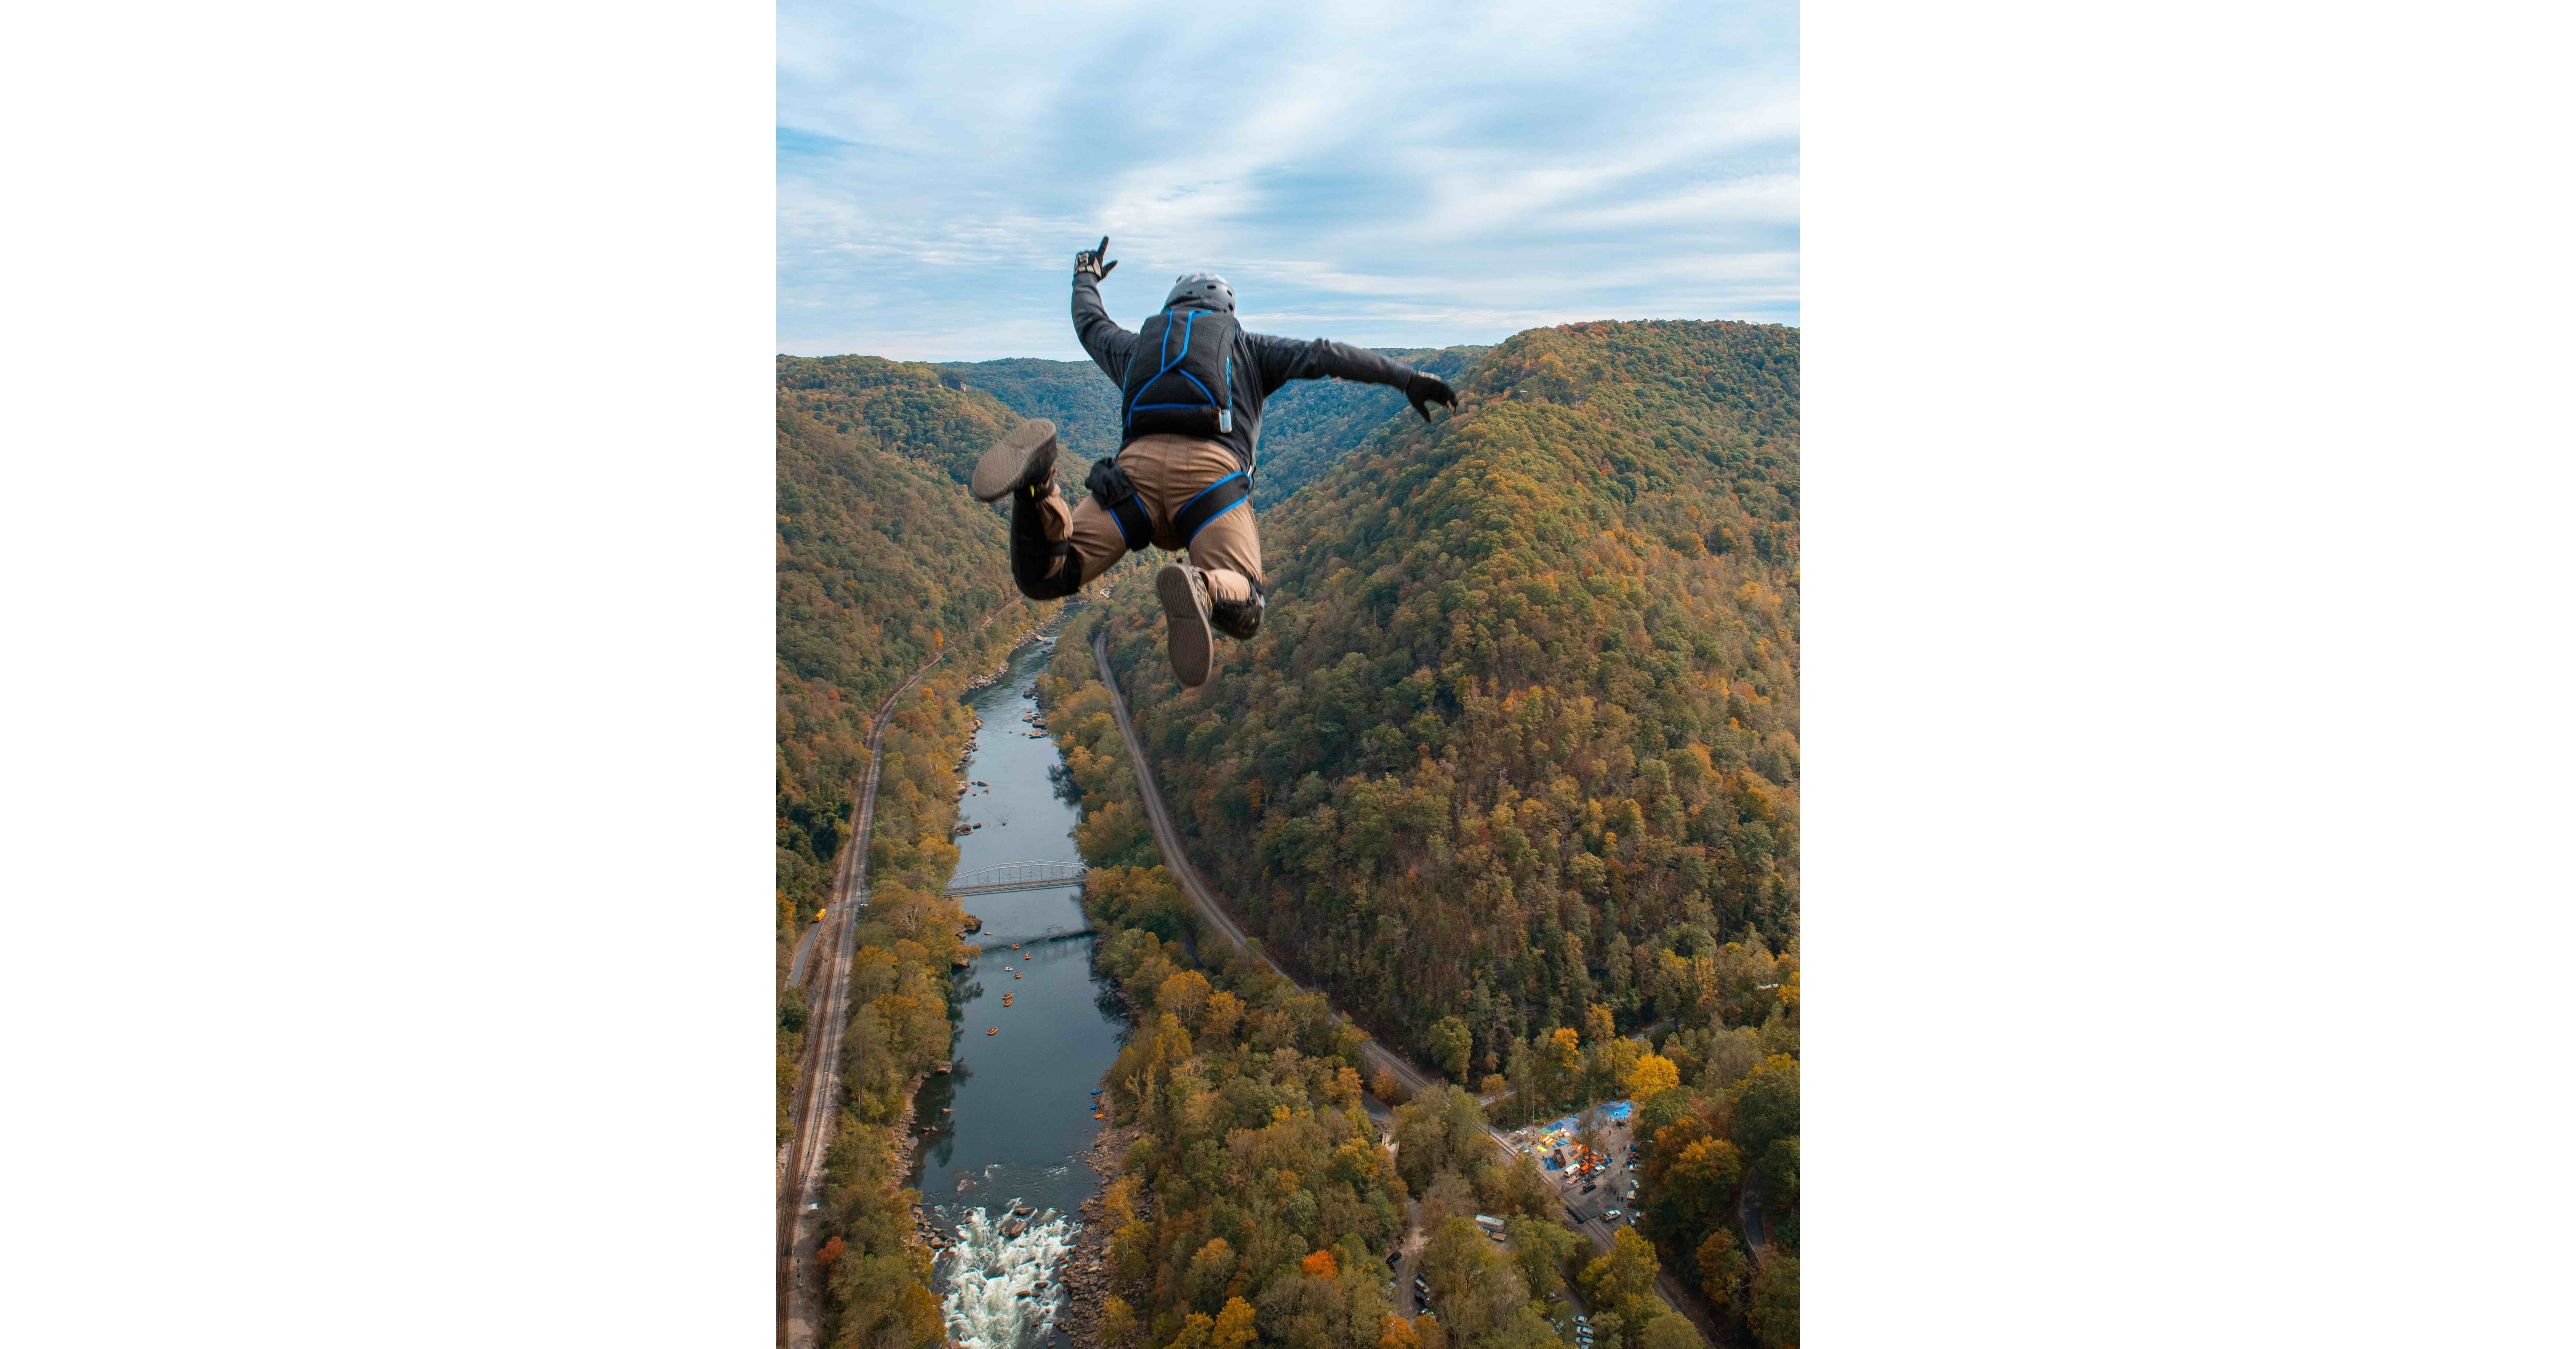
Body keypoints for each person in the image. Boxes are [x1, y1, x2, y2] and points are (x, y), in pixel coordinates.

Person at [970, 236, 1458, 687]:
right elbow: (1325, 355)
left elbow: (1090, 324)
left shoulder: (1140, 346)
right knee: (1245, 603)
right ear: (1227, 310)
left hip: (1130, 482)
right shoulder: (1248, 346)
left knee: (1048, 576)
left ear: (1171, 308)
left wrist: (1086, 275)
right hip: (1209, 485)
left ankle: (1038, 487)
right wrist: (1406, 378)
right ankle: (1203, 587)